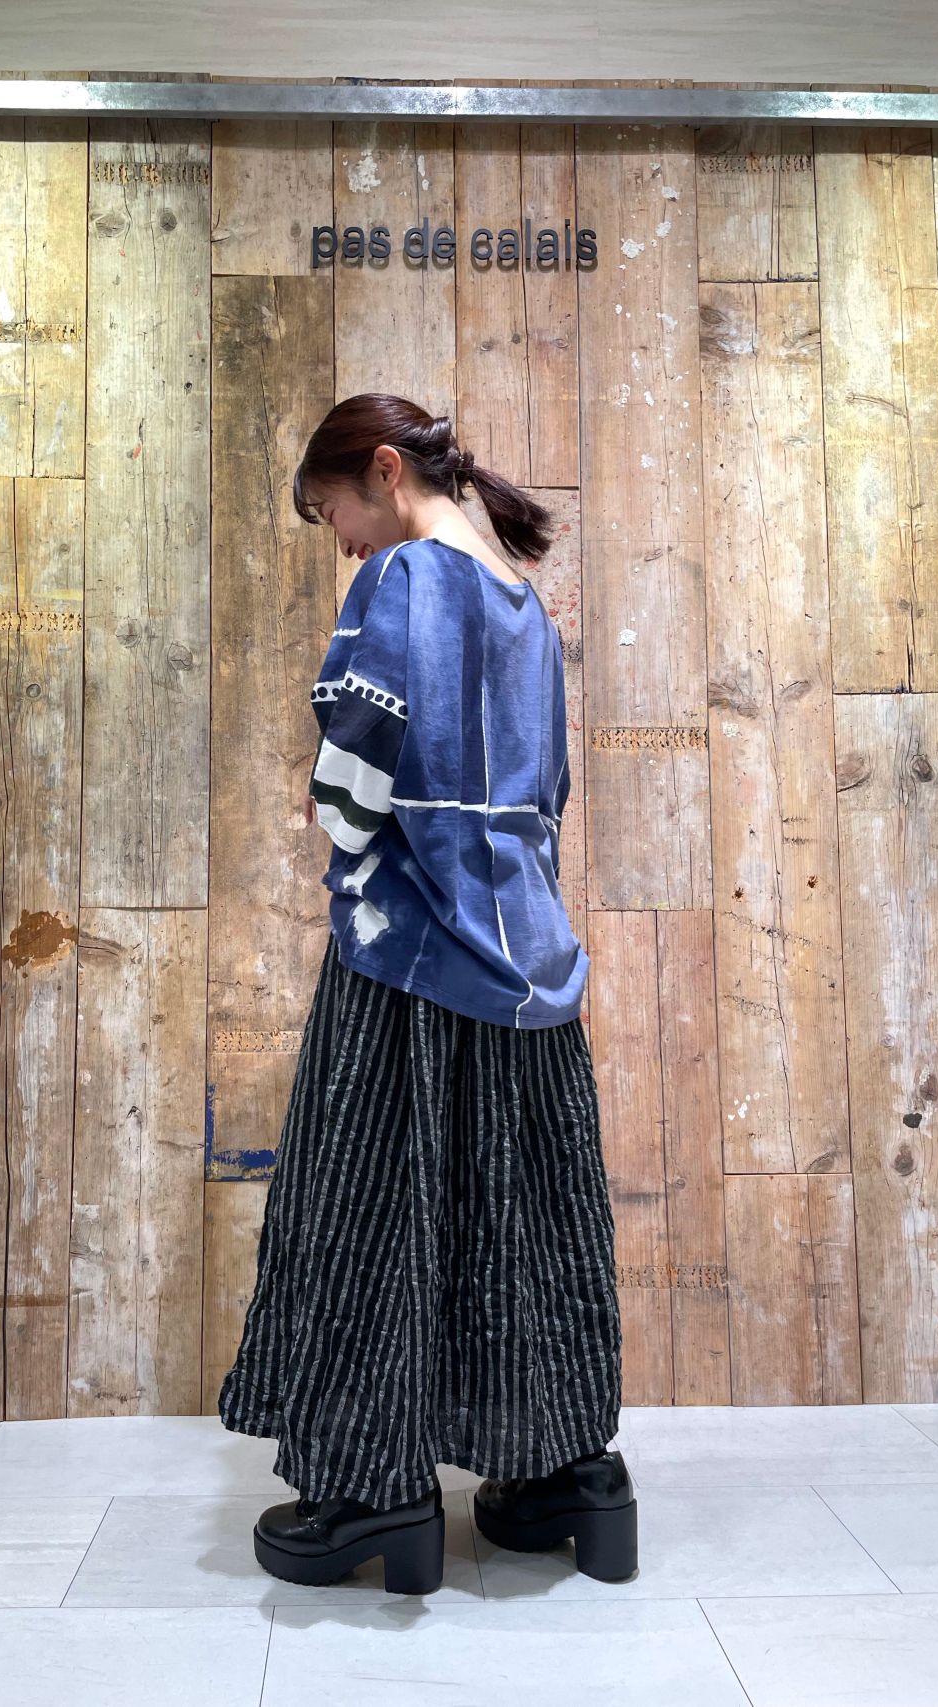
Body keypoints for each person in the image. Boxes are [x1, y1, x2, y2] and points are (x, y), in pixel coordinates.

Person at [217, 394, 636, 1596]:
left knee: (363, 1209)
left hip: (404, 956)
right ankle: (565, 1478)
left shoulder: (397, 582)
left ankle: (373, 1496)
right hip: (525, 961)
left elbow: (350, 795)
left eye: (332, 514)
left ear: (384, 470)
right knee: (524, 1219)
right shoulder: (522, 606)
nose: (341, 542)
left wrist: (330, 803)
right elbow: (546, 794)